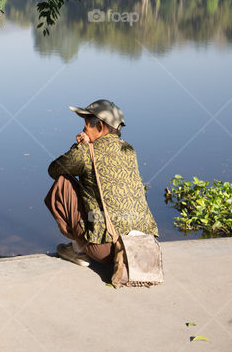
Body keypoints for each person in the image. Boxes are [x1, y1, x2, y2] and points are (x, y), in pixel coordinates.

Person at [43, 99, 158, 266]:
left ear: (100, 127)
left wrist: (79, 147)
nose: (83, 129)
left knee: (63, 182)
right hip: (142, 246)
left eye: (86, 126)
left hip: (108, 251)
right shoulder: (129, 150)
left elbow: (54, 170)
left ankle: (78, 250)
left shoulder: (86, 153)